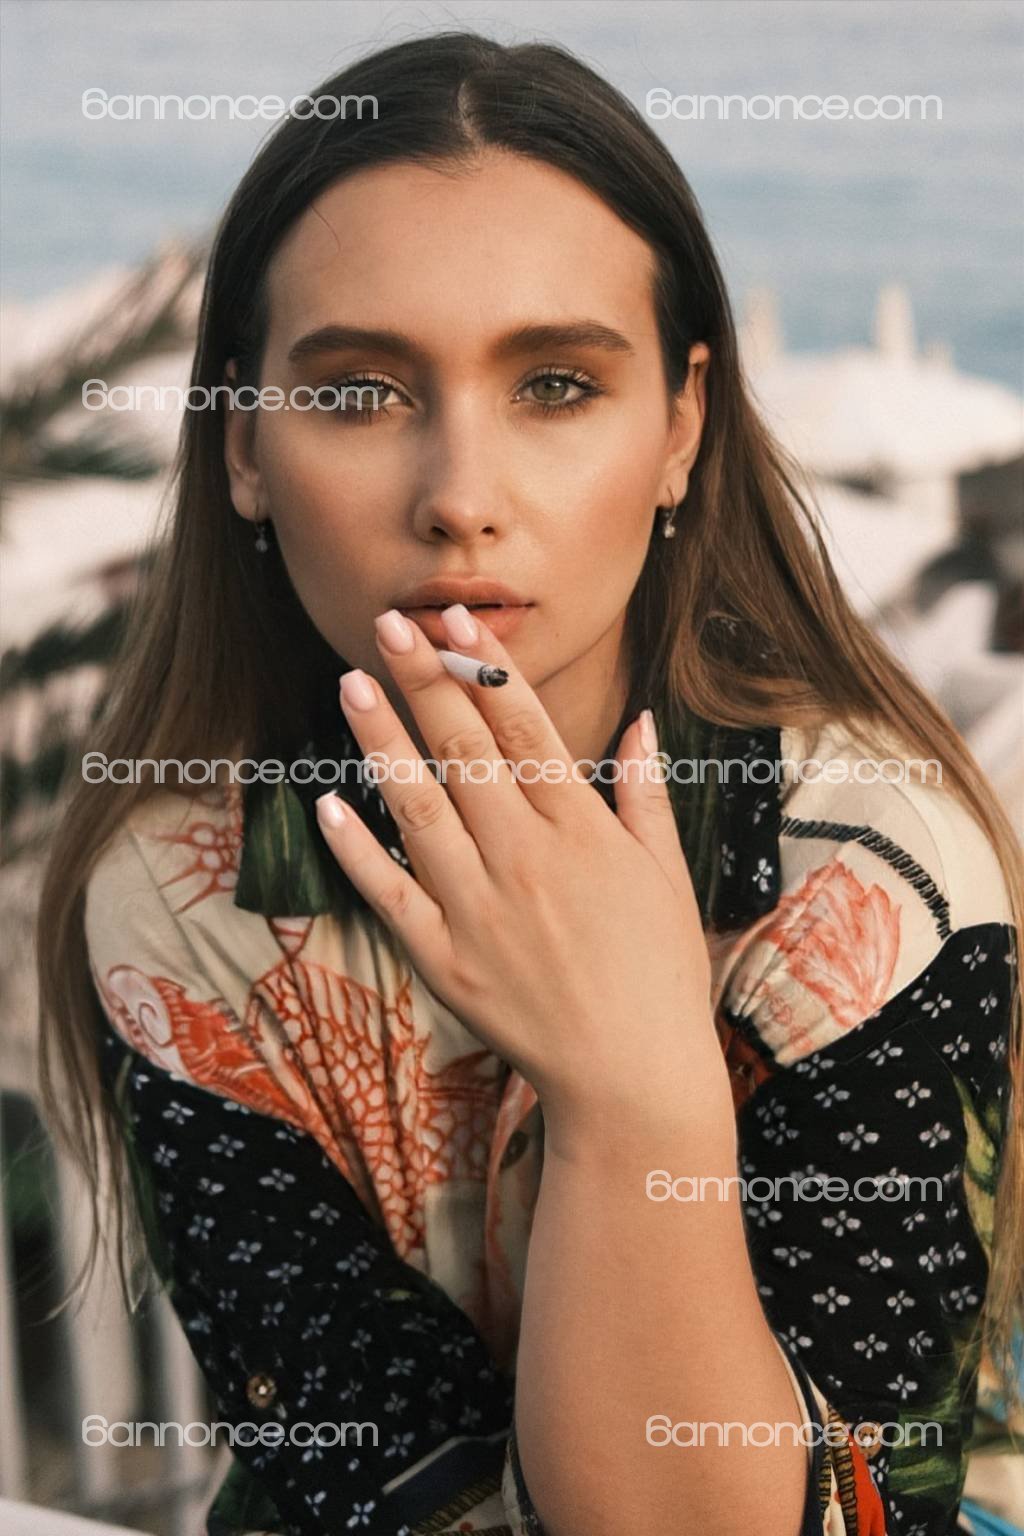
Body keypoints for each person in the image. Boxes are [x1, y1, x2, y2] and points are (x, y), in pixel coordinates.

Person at [36, 31, 1022, 1536]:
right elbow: (390, 1490)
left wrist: (636, 1100)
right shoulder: (182, 897)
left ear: (680, 427)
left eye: (556, 384)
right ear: (243, 446)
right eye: (358, 393)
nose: (461, 499)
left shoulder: (871, 879)